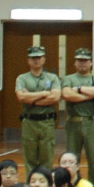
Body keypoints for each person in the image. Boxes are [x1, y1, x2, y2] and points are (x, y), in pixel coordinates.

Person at [60, 48, 94, 182]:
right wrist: (89, 96)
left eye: (85, 60)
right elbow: (67, 95)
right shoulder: (69, 78)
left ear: (91, 63)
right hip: (73, 123)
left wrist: (79, 89)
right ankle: (72, 185)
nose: (82, 63)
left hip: (91, 123)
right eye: (79, 60)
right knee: (71, 159)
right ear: (75, 63)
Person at [15, 44, 64, 175]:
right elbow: (21, 97)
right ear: (28, 60)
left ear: (44, 59)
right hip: (29, 122)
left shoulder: (52, 78)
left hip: (47, 122)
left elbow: (55, 97)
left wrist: (31, 99)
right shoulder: (22, 78)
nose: (36, 60)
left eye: (39, 57)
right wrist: (44, 93)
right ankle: (31, 184)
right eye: (33, 58)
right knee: (30, 158)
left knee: (47, 158)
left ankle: (45, 184)